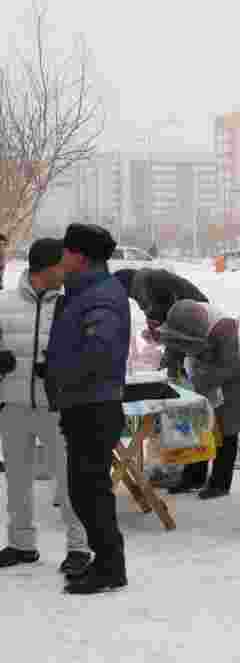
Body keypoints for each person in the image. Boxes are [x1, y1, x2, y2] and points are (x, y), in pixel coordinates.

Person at [46, 223, 131, 594]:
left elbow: (99, 352)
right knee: (85, 489)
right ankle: (107, 560)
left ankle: (111, 566)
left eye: (66, 252)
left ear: (79, 256)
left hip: (94, 406)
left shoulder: (101, 296)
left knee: (89, 490)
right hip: (83, 402)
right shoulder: (84, 291)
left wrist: (62, 373)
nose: (61, 258)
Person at [0, 238, 90, 576]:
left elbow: (85, 355)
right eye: (60, 266)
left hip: (58, 408)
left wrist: (59, 368)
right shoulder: (3, 302)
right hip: (13, 406)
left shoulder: (71, 307)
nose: (66, 272)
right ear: (45, 268)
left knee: (68, 480)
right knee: (17, 480)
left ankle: (79, 547)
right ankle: (22, 544)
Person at [114, 267, 211, 493]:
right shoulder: (150, 284)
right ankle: (183, 470)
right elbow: (166, 321)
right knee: (183, 403)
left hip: (193, 336)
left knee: (187, 405)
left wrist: (170, 352)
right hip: (187, 336)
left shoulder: (150, 286)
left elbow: (172, 320)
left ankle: (189, 472)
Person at [156, 300, 240, 500]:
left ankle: (220, 482)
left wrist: (197, 385)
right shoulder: (183, 318)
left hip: (237, 370)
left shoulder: (225, 328)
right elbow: (174, 346)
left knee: (226, 424)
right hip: (205, 366)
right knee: (198, 421)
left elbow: (227, 367)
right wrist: (170, 370)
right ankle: (194, 477)